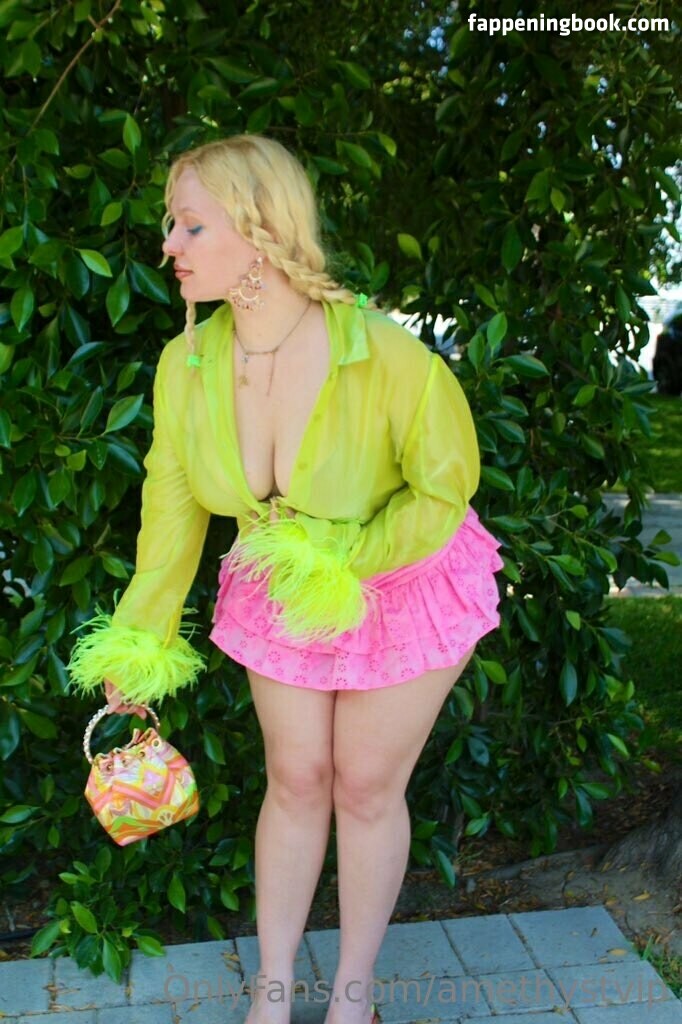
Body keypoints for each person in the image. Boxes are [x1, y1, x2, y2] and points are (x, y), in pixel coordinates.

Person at [68, 134, 504, 1024]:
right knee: (297, 779)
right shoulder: (187, 364)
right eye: (170, 224)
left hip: (402, 578)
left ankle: (353, 999)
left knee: (364, 786)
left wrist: (346, 566)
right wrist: (140, 641)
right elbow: (171, 508)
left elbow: (443, 490)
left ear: (261, 230)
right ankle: (271, 995)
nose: (169, 245)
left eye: (191, 226)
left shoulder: (383, 354)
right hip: (278, 582)